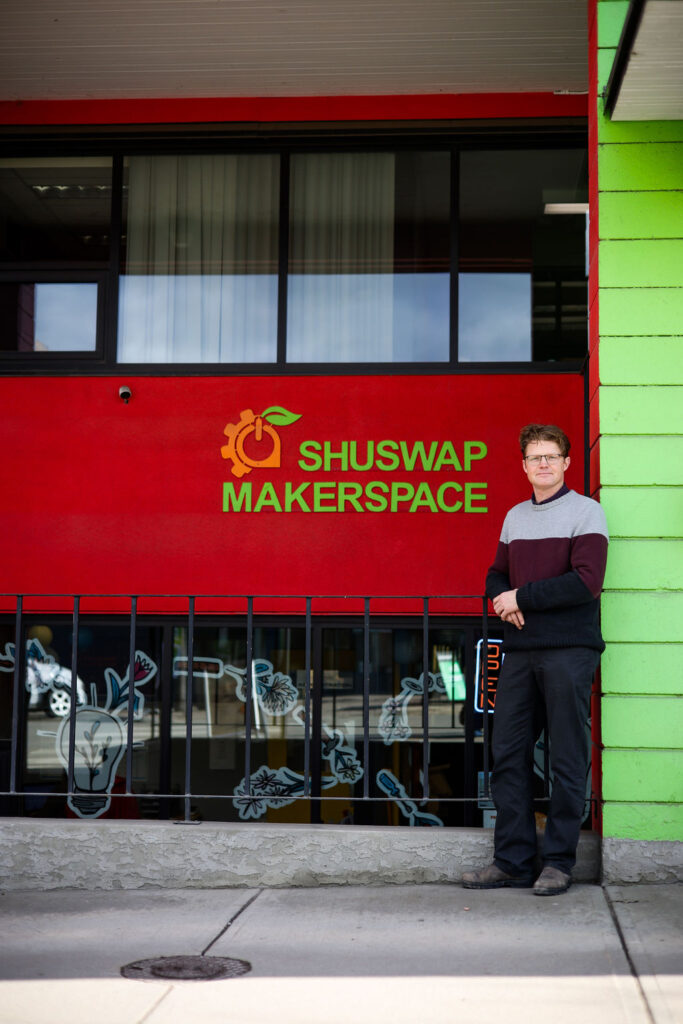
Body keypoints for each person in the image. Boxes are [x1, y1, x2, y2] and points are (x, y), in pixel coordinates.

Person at [463, 424, 608, 896]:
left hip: (569, 650)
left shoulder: (588, 512)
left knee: (567, 757)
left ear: (566, 463)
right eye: (535, 457)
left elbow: (586, 582)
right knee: (508, 754)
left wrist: (520, 597)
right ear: (523, 465)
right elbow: (494, 575)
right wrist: (501, 599)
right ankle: (512, 861)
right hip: (521, 653)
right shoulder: (514, 517)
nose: (543, 463)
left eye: (552, 456)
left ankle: (559, 864)